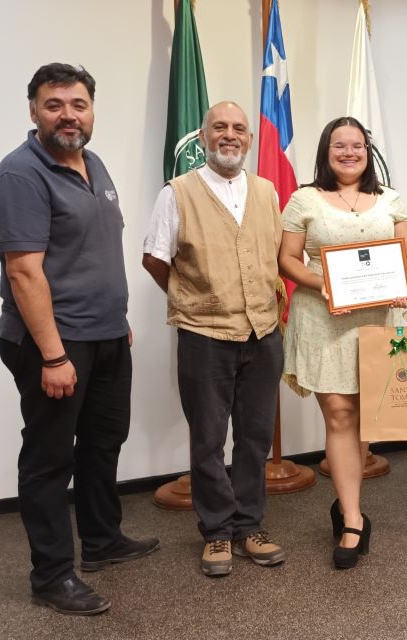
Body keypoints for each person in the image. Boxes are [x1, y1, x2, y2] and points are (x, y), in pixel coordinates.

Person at [0, 63, 159, 616]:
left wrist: (115, 316)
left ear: (91, 110)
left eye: (78, 104)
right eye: (54, 104)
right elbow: (24, 273)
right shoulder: (20, 175)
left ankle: (103, 542)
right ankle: (52, 575)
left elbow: (94, 250)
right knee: (50, 458)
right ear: (33, 109)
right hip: (53, 344)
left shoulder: (92, 162)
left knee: (105, 440)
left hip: (105, 333)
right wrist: (54, 355)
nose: (68, 115)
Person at [142, 101, 286, 577]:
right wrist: (193, 297)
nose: (230, 135)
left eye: (239, 129)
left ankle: (249, 526)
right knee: (208, 438)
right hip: (204, 335)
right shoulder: (177, 192)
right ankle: (217, 532)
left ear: (249, 139)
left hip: (263, 332)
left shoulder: (267, 192)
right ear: (203, 137)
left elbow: (275, 256)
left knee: (254, 437)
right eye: (219, 127)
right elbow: (155, 259)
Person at [279, 116, 407, 569]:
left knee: (364, 420)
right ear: (326, 150)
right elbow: (287, 259)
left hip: (377, 319)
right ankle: (354, 519)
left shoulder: (389, 199)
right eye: (340, 145)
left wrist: (403, 279)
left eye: (357, 145)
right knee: (339, 414)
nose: (349, 152)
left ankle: (345, 503)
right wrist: (326, 284)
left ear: (367, 151)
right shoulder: (304, 199)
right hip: (324, 319)